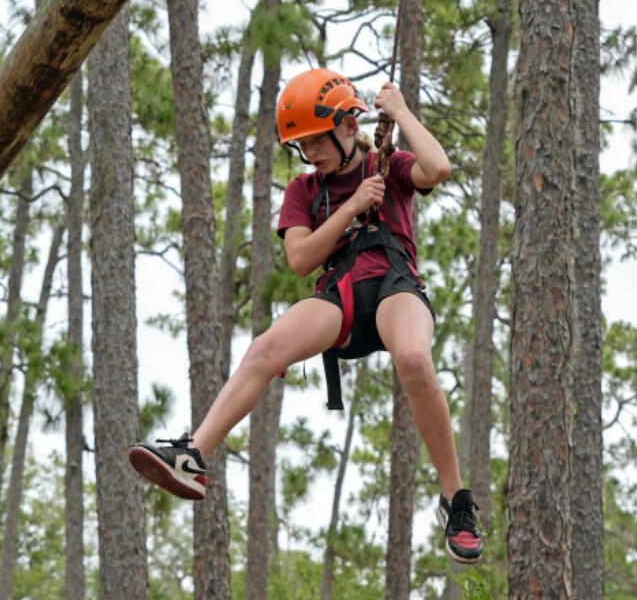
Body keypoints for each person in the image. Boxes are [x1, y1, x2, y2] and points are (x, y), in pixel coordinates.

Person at [129, 68, 483, 564]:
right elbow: (300, 260)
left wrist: (400, 112)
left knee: (414, 359)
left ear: (346, 125)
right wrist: (352, 208)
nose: (310, 153)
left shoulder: (390, 164)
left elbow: (439, 168)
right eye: (302, 145)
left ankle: (456, 500)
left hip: (394, 284)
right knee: (265, 349)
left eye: (317, 141)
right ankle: (193, 456)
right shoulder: (303, 191)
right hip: (339, 293)